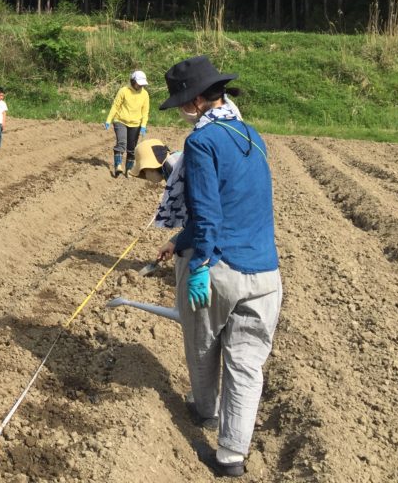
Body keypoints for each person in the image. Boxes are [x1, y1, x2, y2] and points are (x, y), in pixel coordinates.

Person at [152, 55, 281, 478]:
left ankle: (205, 411)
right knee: (246, 364)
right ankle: (230, 457)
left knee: (202, 344)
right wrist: (179, 240)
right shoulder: (251, 134)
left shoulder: (201, 142)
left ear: (196, 101)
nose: (182, 111)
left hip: (221, 268)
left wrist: (200, 264)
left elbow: (207, 213)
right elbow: (235, 201)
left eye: (182, 103)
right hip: (266, 274)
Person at [104, 69, 150, 177]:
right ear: (133, 81)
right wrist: (108, 120)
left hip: (136, 124)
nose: (140, 86)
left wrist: (143, 125)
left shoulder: (145, 94)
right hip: (120, 121)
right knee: (121, 143)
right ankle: (118, 166)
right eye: (138, 83)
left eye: (142, 84)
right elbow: (115, 106)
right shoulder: (123, 91)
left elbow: (145, 111)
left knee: (131, 149)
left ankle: (129, 170)